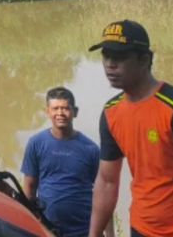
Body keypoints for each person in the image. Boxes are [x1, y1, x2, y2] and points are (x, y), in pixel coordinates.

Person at [87, 20, 173, 237]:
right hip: (141, 228)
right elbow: (107, 181)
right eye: (106, 55)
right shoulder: (111, 113)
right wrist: (93, 234)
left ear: (145, 60)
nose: (110, 64)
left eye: (120, 57)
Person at [21, 87, 113, 237]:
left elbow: (105, 194)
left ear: (75, 111)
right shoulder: (36, 144)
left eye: (65, 108)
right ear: (47, 111)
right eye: (55, 108)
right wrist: (29, 227)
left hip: (85, 231)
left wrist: (109, 235)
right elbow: (29, 189)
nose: (60, 113)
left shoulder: (90, 149)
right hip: (47, 230)